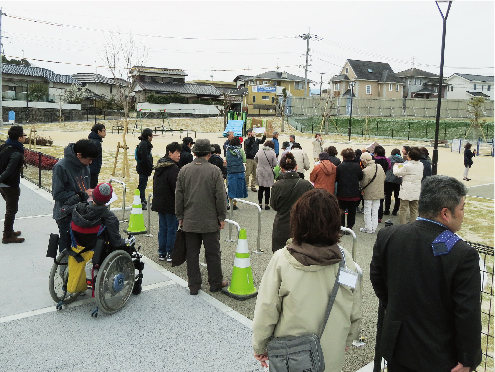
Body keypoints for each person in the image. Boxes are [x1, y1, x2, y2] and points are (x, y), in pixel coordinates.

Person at [370, 175, 481, 372]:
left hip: (397, 344)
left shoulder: (389, 235)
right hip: (440, 354)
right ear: (445, 213)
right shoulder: (464, 254)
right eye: (462, 208)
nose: (463, 214)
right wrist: (468, 358)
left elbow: (379, 281)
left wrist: (397, 306)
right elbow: (467, 312)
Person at [252, 189, 362, 372]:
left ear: (297, 220)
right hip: (331, 353)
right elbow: (354, 307)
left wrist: (260, 345)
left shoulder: (282, 260)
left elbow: (267, 309)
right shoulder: (345, 261)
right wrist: (348, 339)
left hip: (291, 356)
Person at [175, 139, 228, 295]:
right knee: (213, 253)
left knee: (192, 253)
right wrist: (221, 216)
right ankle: (215, 283)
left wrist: (180, 215)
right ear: (209, 154)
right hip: (210, 220)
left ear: (194, 152)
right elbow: (220, 196)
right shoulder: (214, 171)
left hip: (189, 219)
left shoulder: (184, 170)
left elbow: (179, 196)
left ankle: (194, 285)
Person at [52, 139, 98, 253]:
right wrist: (82, 194)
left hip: (83, 212)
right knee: (66, 245)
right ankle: (62, 268)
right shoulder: (60, 167)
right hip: (66, 214)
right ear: (79, 155)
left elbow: (85, 188)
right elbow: (57, 194)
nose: (90, 163)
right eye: (89, 159)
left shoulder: (85, 165)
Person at [270, 152, 313, 252]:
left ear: (281, 168)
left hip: (282, 225)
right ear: (296, 167)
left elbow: (274, 205)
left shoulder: (277, 185)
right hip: (302, 225)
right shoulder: (306, 185)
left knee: (280, 256)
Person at [70, 182, 126, 251]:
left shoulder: (78, 209)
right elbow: (116, 242)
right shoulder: (109, 217)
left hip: (76, 251)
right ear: (109, 199)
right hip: (97, 255)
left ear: (93, 195)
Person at [152, 142, 182, 262]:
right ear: (169, 153)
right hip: (170, 203)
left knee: (163, 228)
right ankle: (170, 252)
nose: (179, 155)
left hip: (159, 202)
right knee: (171, 229)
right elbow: (176, 188)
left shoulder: (159, 166)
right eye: (177, 152)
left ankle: (162, 252)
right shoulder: (173, 168)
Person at [0, 125, 26, 243]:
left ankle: (9, 231)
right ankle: (7, 236)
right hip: (10, 185)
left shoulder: (4, 146)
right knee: (11, 209)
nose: (25, 137)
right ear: (19, 138)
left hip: (3, 185)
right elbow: (9, 171)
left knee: (11, 208)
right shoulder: (16, 153)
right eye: (24, 135)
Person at [393, 146, 424, 225]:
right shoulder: (421, 165)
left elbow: (397, 173)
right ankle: (413, 226)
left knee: (403, 210)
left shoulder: (407, 166)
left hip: (406, 190)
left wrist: (395, 166)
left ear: (410, 156)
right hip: (416, 189)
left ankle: (403, 227)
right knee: (414, 210)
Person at [336, 148, 363, 233]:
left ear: (343, 157)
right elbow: (361, 177)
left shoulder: (340, 166)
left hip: (342, 192)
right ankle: (350, 227)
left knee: (342, 210)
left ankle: (342, 226)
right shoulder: (357, 166)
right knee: (352, 211)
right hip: (354, 192)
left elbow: (336, 178)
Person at [359, 153, 385, 234]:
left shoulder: (366, 171)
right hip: (379, 192)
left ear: (364, 160)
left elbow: (363, 183)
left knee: (367, 210)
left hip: (369, 192)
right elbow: (384, 177)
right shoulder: (379, 167)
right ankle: (374, 227)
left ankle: (368, 228)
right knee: (375, 210)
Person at [254, 140, 277, 210]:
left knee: (260, 188)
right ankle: (266, 204)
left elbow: (255, 159)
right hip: (268, 171)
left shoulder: (259, 151)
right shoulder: (272, 153)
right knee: (267, 189)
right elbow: (275, 164)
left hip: (260, 170)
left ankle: (260, 204)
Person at [226, 136, 247, 210]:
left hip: (230, 171)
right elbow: (244, 160)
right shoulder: (240, 150)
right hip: (239, 170)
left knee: (231, 187)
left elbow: (227, 159)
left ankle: (230, 202)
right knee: (238, 188)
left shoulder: (228, 150)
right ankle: (235, 204)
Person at [135, 128, 153, 210]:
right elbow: (145, 157)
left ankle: (143, 199)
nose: (152, 137)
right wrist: (150, 165)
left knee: (143, 184)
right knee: (142, 185)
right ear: (149, 136)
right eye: (152, 135)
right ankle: (140, 201)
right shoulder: (144, 144)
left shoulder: (144, 144)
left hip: (143, 168)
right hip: (143, 168)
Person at [372, 145, 391, 223]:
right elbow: (389, 168)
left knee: (372, 199)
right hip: (383, 181)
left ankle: (373, 216)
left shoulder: (373, 160)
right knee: (381, 199)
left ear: (376, 153)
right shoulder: (386, 160)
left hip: (373, 181)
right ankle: (379, 217)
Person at [383, 148, 404, 216]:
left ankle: (386, 210)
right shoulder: (401, 160)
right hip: (397, 179)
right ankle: (395, 211)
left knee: (388, 195)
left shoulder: (388, 159)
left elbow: (386, 168)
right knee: (397, 196)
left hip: (388, 179)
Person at [87, 123, 106, 188]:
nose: (105, 133)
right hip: (92, 170)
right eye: (103, 131)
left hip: (92, 169)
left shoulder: (93, 141)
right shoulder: (95, 143)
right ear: (98, 131)